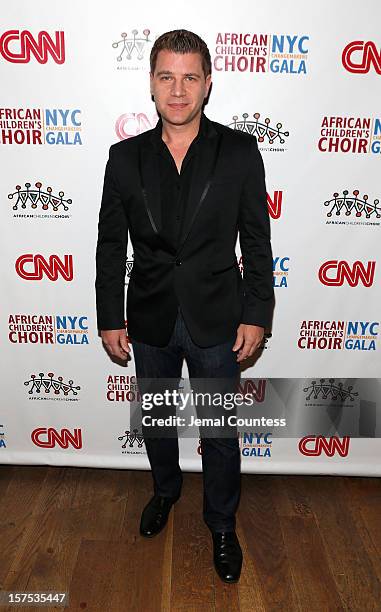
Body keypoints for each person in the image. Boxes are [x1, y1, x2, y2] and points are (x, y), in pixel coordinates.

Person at [95, 29, 274, 584]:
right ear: (151, 83)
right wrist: (108, 316)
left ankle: (222, 524)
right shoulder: (123, 157)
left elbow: (257, 241)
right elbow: (110, 243)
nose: (178, 90)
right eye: (167, 77)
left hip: (217, 317)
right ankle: (165, 491)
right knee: (157, 420)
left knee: (219, 429)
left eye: (189, 77)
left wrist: (257, 313)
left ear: (208, 83)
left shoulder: (240, 151)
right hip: (148, 315)